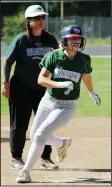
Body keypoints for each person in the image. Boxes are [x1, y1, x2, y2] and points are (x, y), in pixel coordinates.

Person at [16, 24, 101, 183]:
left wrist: (91, 92)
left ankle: (25, 171)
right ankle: (63, 143)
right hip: (48, 100)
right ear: (64, 41)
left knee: (41, 135)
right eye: (73, 39)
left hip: (67, 105)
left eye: (79, 39)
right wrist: (59, 84)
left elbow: (86, 76)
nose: (77, 42)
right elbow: (41, 79)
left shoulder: (83, 59)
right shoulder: (54, 56)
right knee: (35, 135)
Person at [2, 5, 59, 170]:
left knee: (45, 124)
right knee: (19, 124)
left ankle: (45, 158)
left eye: (43, 17)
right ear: (29, 21)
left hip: (44, 88)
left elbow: (59, 61)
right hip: (21, 87)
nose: (41, 21)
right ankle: (16, 158)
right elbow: (8, 61)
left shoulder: (50, 40)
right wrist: (5, 83)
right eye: (37, 18)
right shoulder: (21, 40)